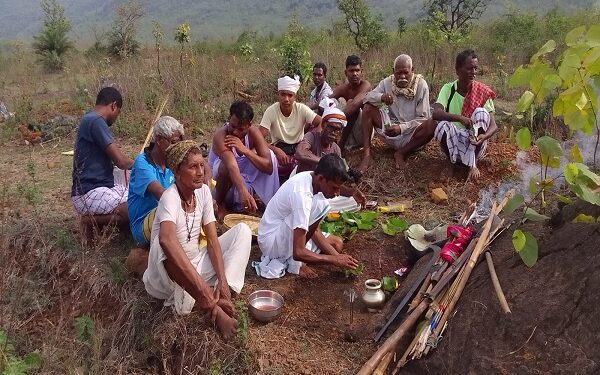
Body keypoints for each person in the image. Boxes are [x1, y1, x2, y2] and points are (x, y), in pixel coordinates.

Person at [143, 141, 252, 340]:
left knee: (242, 232)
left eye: (202, 165)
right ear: (177, 171)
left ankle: (224, 293)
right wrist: (207, 297)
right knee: (163, 245)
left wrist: (223, 280)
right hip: (170, 275)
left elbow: (211, 240)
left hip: (196, 263)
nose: (200, 172)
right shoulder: (170, 198)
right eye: (193, 167)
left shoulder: (202, 192)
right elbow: (167, 241)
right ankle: (214, 308)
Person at [254, 154, 361, 279]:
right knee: (320, 204)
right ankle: (295, 265)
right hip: (271, 242)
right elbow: (298, 252)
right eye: (334, 188)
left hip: (286, 233)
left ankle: (301, 257)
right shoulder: (302, 196)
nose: (337, 194)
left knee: (337, 243)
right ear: (321, 179)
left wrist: (338, 257)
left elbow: (313, 229)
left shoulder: (313, 177)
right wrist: (333, 260)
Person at [71, 87, 134, 236]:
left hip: (99, 187)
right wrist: (145, 164)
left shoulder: (89, 119)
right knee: (131, 209)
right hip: (89, 192)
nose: (117, 117)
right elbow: (121, 162)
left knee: (138, 200)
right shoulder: (96, 121)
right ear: (113, 105)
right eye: (118, 112)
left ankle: (102, 224)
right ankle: (87, 220)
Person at [359, 54, 435, 171]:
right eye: (398, 73)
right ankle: (367, 155)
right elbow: (367, 98)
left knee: (431, 125)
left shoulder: (421, 85)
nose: (402, 76)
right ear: (393, 71)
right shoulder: (387, 83)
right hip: (390, 131)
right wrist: (381, 97)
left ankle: (401, 153)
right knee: (368, 109)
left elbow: (423, 118)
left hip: (411, 135)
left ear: (412, 70)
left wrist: (401, 128)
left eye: (406, 72)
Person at [433, 49, 498, 181]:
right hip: (454, 141)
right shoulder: (448, 89)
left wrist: (484, 136)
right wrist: (460, 118)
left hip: (474, 142)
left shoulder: (482, 92)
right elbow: (436, 113)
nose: (473, 72)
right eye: (469, 69)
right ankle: (450, 163)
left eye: (475, 68)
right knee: (441, 126)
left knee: (481, 112)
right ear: (457, 70)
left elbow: (493, 126)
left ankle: (472, 164)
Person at [209, 101, 279, 219]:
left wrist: (245, 151)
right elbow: (231, 165)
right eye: (233, 126)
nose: (235, 132)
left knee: (270, 155)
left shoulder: (253, 132)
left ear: (249, 125)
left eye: (241, 129)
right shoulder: (221, 136)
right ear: (229, 119)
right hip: (219, 182)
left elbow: (269, 167)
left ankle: (261, 199)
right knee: (225, 166)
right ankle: (221, 205)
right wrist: (243, 192)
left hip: (240, 176)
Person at [127, 116, 184, 248]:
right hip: (144, 224)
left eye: (179, 143)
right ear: (158, 139)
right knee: (175, 211)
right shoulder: (142, 163)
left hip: (166, 211)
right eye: (173, 142)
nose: (177, 147)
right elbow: (161, 194)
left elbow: (203, 168)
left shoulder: (173, 160)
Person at [259, 75, 322, 177]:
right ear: (278, 95)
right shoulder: (271, 111)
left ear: (295, 97)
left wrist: (311, 139)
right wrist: (276, 150)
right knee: (266, 164)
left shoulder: (301, 109)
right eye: (283, 94)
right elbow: (258, 138)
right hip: (279, 147)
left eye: (290, 95)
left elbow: (321, 122)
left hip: (299, 148)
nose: (286, 99)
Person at [330, 55, 372, 150]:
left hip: (362, 134)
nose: (355, 74)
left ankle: (340, 145)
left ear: (362, 71)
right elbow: (326, 100)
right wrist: (306, 107)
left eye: (357, 70)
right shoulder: (344, 88)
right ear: (346, 72)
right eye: (351, 71)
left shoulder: (366, 86)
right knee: (332, 101)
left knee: (351, 104)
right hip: (348, 131)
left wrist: (335, 121)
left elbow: (354, 105)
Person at [295, 105, 345, 173]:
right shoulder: (312, 137)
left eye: (337, 130)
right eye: (331, 127)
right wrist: (325, 162)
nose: (333, 133)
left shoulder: (336, 150)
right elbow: (300, 153)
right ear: (323, 125)